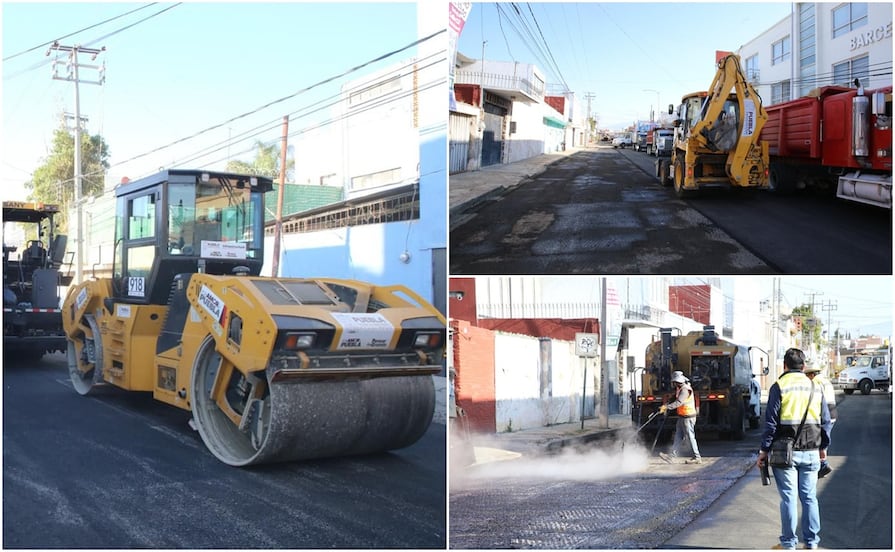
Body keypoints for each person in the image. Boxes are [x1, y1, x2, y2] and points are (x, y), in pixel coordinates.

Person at [757, 348, 831, 550]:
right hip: (812, 450)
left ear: (785, 366)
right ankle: (811, 542)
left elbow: (770, 424)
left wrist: (764, 451)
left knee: (788, 498)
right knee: (809, 498)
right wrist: (823, 447)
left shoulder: (779, 386)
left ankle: (788, 544)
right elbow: (826, 421)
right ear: (804, 366)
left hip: (784, 452)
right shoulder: (815, 387)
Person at [658, 370, 702, 464]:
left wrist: (667, 407)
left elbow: (679, 402)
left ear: (676, 382)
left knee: (690, 437)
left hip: (688, 417)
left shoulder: (685, 390)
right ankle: (672, 456)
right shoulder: (680, 388)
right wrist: (666, 404)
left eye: (674, 382)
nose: (673, 384)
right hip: (682, 416)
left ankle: (697, 457)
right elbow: (675, 398)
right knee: (678, 436)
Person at [803, 364, 836, 478]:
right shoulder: (825, 380)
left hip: (825, 413)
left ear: (812, 374)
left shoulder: (816, 382)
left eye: (807, 374)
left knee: (821, 442)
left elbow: (818, 399)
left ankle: (823, 466)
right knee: (824, 439)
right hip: (832, 412)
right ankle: (822, 465)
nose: (807, 377)